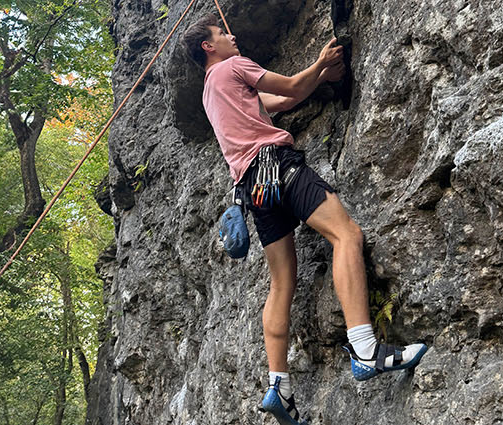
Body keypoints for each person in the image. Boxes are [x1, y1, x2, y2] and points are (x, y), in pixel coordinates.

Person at [182, 16, 428, 425]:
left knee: (281, 284)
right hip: (277, 165)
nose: (232, 35)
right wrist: (320, 63)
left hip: (253, 191)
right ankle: (365, 349)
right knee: (346, 235)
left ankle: (278, 384)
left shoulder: (211, 92)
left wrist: (320, 76)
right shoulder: (234, 66)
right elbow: (292, 87)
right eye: (222, 33)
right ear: (208, 46)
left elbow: (277, 103)